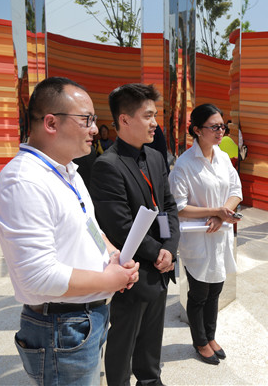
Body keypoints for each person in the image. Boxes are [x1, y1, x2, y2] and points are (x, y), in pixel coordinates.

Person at [0, 77, 139, 385]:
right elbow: (37, 276)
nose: (95, 129)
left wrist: (113, 255)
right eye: (86, 119)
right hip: (60, 326)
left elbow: (90, 228)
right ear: (50, 122)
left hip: (83, 320)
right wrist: (108, 280)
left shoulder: (69, 172)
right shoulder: (24, 181)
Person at [89, 83, 180, 386]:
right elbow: (120, 225)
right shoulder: (108, 165)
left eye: (155, 115)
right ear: (124, 120)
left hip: (160, 267)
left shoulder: (155, 157)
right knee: (124, 339)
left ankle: (150, 380)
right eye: (148, 116)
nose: (155, 123)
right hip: (133, 270)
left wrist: (169, 247)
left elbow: (166, 207)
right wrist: (157, 253)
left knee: (153, 334)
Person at [168, 104, 242, 365]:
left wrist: (222, 213)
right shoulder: (185, 164)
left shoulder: (222, 157)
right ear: (197, 130)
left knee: (215, 290)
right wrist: (215, 212)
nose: (220, 131)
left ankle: (210, 336)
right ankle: (199, 341)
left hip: (220, 235)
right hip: (198, 239)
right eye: (214, 126)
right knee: (199, 293)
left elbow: (236, 190)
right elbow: (178, 206)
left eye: (223, 126)